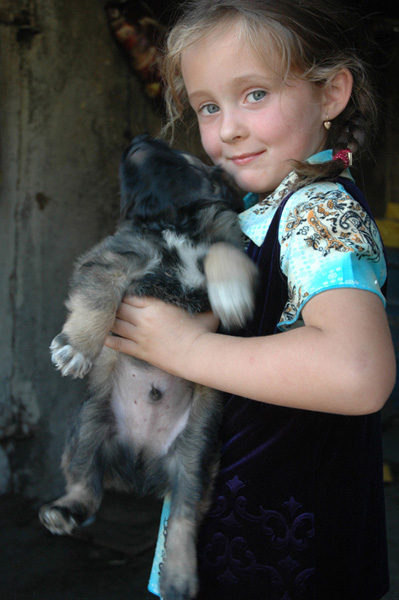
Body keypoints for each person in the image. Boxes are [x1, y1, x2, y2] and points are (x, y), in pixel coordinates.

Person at [105, 1, 396, 598]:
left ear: (332, 93)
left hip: (289, 557)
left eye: (255, 94)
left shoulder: (320, 209)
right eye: (209, 106)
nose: (227, 128)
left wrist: (187, 347)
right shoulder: (256, 213)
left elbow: (357, 371)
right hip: (242, 530)